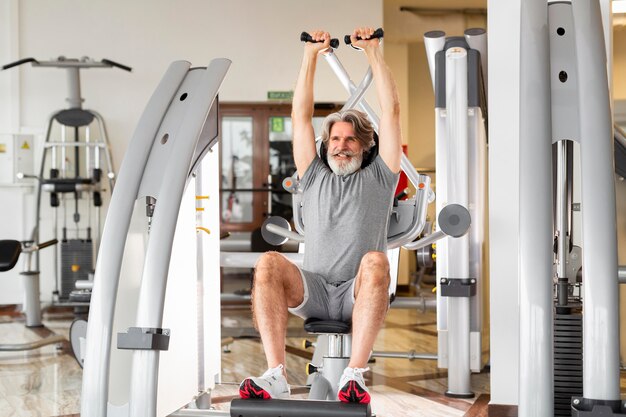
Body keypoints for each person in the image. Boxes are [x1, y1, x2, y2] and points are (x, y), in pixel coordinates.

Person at [238, 27, 402, 404]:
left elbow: (391, 111)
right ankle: (275, 374)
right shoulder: (311, 175)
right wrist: (310, 56)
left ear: (364, 145)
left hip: (356, 292)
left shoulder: (380, 177)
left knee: (377, 261)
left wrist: (374, 52)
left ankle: (353, 377)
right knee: (268, 263)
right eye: (335, 139)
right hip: (313, 288)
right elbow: (300, 116)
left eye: (349, 139)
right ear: (326, 145)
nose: (341, 146)